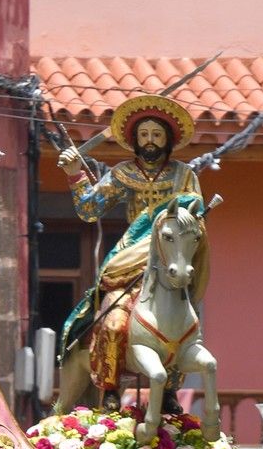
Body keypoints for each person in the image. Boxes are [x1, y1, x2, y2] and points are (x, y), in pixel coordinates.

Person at [57, 92, 200, 371]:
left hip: (171, 257)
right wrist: (75, 172)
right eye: (144, 133)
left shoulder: (184, 176)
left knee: (183, 328)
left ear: (167, 140)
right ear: (135, 139)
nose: (150, 140)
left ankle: (170, 390)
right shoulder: (123, 173)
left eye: (156, 134)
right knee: (112, 322)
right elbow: (89, 210)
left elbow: (196, 219)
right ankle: (109, 385)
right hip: (132, 257)